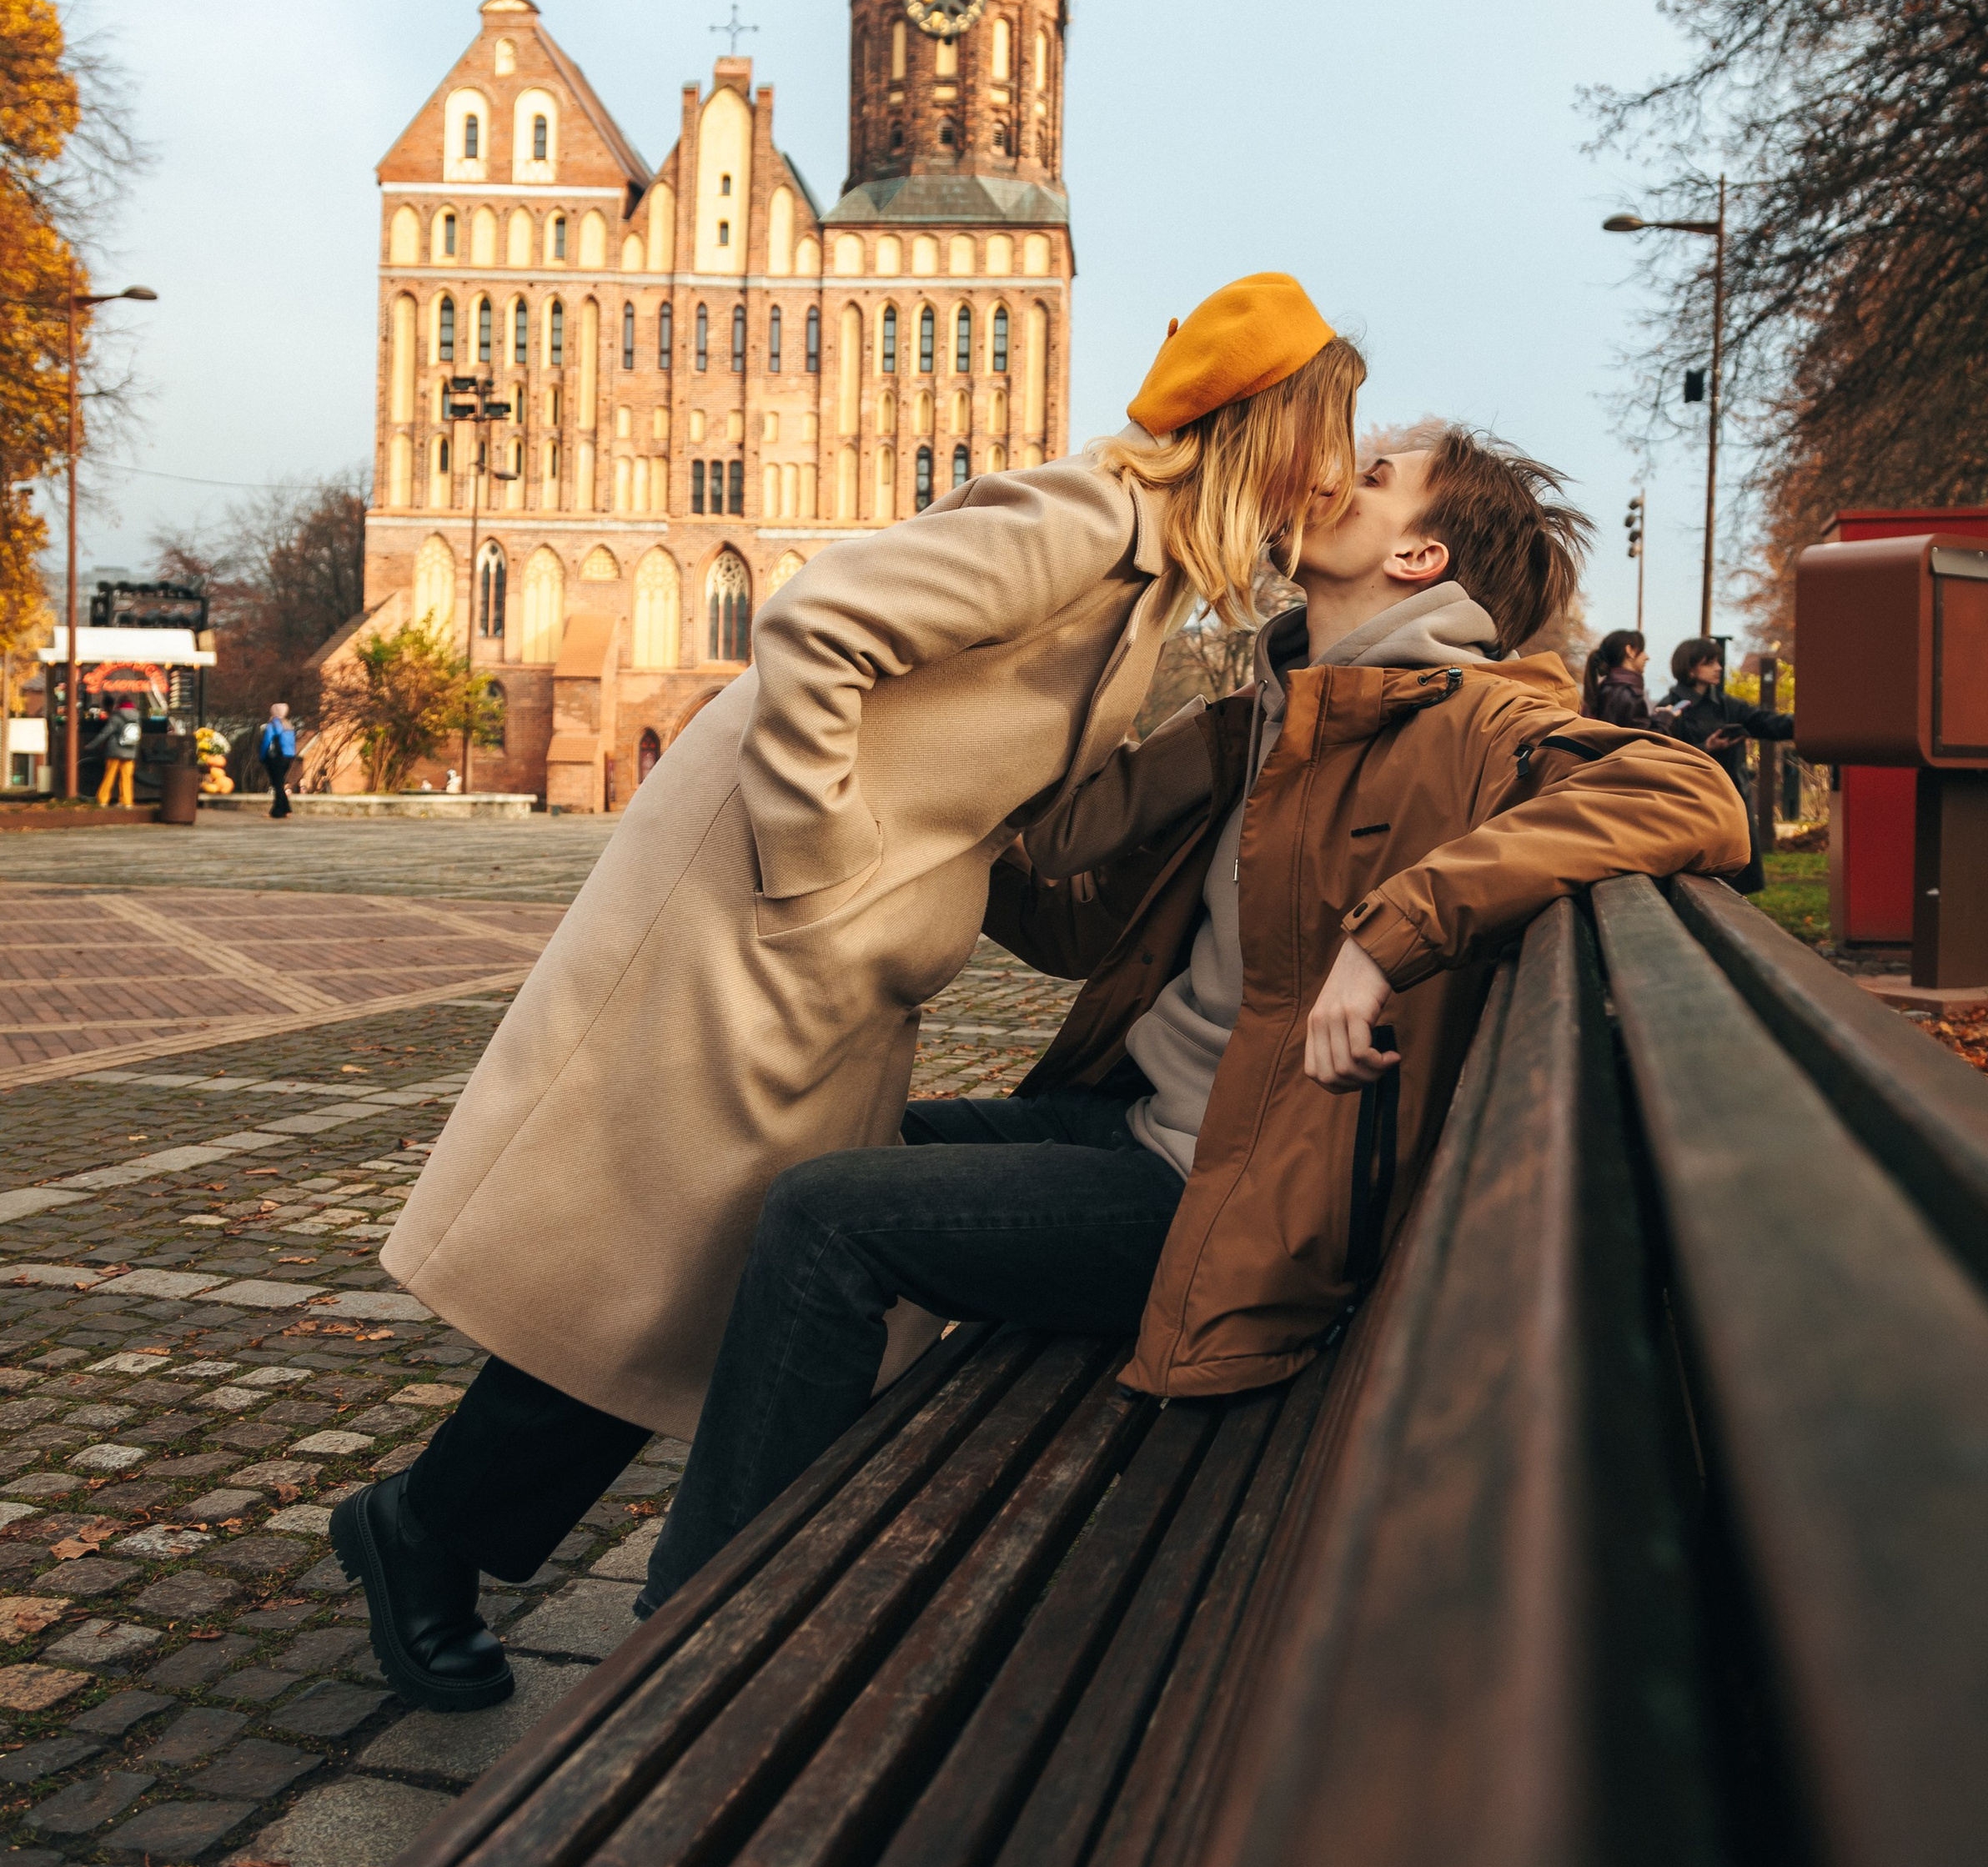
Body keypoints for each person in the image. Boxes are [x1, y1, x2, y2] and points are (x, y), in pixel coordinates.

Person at [333, 273, 1367, 1709]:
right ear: (1274, 428)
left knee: (685, 1262)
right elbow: (818, 623)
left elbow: (1046, 821)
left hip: (836, 948)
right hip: (765, 918)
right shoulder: (1086, 523)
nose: (1341, 472)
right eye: (1338, 433)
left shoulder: (1149, 585)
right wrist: (819, 862)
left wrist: (1232, 733)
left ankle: (441, 1530)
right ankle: (434, 1534)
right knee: (656, 1251)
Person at [636, 428, 1750, 1594]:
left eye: (1371, 478)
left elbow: (1687, 789)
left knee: (826, 1217)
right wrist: (932, 811)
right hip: (1148, 1126)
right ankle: (724, 1528)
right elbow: (1076, 924)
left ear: (1421, 558)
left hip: (1220, 1197)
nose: (1330, 478)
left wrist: (1392, 934)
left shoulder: (1468, 719)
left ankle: (687, 1623)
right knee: (804, 1149)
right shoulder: (1262, 720)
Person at [1653, 638, 1793, 894]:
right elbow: (1663, 758)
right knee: (1702, 880)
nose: (1718, 668)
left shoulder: (1729, 706)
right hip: (1695, 802)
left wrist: (1816, 723)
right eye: (1709, 663)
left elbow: (1769, 723)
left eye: (1718, 661)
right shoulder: (1669, 709)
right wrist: (1706, 748)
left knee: (1738, 877)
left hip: (1734, 795)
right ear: (1690, 669)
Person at [1582, 627, 1650, 726]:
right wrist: (1664, 719)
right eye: (1642, 650)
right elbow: (1645, 739)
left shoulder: (1603, 689)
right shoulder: (1629, 695)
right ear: (1629, 651)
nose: (1647, 657)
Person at [94, 699, 142, 810]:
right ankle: (127, 801)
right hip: (130, 751)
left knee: (110, 775)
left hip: (114, 751)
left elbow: (105, 733)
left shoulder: (116, 717)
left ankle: (103, 800)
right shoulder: (137, 718)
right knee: (126, 777)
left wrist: (92, 744)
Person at [259, 702, 298, 818]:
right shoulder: (288, 725)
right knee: (280, 783)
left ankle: (276, 811)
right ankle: (286, 809)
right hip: (288, 757)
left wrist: (262, 756)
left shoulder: (273, 725)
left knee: (277, 784)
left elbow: (267, 741)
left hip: (276, 757)